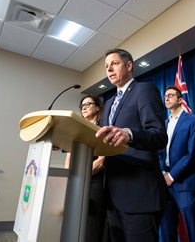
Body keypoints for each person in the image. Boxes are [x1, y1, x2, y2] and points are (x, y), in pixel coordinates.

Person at [95, 48, 167, 242]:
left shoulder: (144, 90)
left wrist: (129, 134)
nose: (109, 69)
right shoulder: (108, 103)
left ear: (128, 66)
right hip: (113, 193)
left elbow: (159, 136)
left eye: (114, 64)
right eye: (106, 66)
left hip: (139, 192)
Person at [158, 86, 195, 242]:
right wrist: (164, 173)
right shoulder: (162, 124)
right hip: (164, 184)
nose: (167, 98)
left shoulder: (192, 120)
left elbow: (192, 154)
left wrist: (172, 175)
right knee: (166, 229)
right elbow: (158, 153)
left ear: (180, 99)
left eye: (171, 95)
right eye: (165, 96)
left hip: (185, 183)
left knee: (193, 230)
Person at [65, 94, 106, 242]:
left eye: (88, 104)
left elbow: (101, 161)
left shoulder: (103, 130)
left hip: (93, 182)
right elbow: (68, 158)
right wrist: (67, 179)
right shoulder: (76, 132)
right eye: (82, 105)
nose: (84, 107)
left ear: (98, 107)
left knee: (90, 224)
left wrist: (80, 176)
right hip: (75, 181)